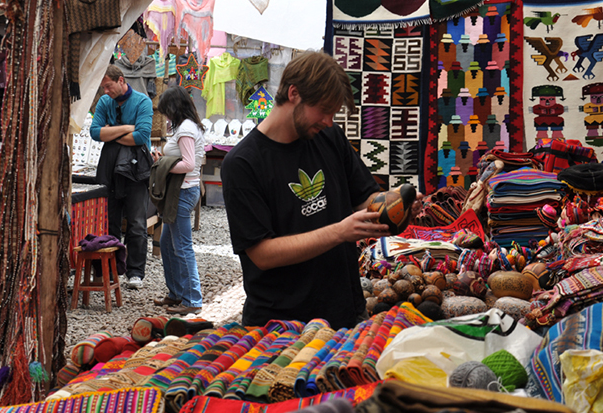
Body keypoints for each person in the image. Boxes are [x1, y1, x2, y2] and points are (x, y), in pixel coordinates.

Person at [222, 51, 422, 329]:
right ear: (294, 93)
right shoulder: (242, 164)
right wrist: (339, 231)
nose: (329, 120)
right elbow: (262, 254)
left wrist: (395, 202)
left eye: (333, 113)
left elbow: (364, 199)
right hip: (278, 326)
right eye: (324, 110)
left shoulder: (330, 137)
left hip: (344, 313)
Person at [90, 64, 153, 289]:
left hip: (136, 168)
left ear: (121, 80)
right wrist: (127, 128)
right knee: (110, 220)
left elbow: (141, 136)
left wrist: (111, 133)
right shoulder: (105, 102)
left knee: (136, 222)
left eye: (108, 86)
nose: (106, 91)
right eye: (103, 87)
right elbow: (95, 132)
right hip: (110, 166)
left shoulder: (143, 102)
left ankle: (135, 272)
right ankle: (112, 270)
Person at [150, 86, 206, 315]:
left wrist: (163, 164)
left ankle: (192, 299)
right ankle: (176, 294)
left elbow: (189, 164)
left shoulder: (185, 129)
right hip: (182, 190)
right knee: (166, 243)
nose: (165, 115)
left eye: (166, 110)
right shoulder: (188, 127)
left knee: (182, 246)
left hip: (182, 192)